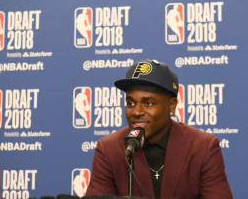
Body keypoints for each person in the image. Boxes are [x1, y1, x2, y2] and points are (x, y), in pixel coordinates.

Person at [86, 60, 233, 199]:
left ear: (172, 106)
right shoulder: (109, 149)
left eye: (148, 103)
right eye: (130, 103)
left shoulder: (203, 148)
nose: (136, 112)